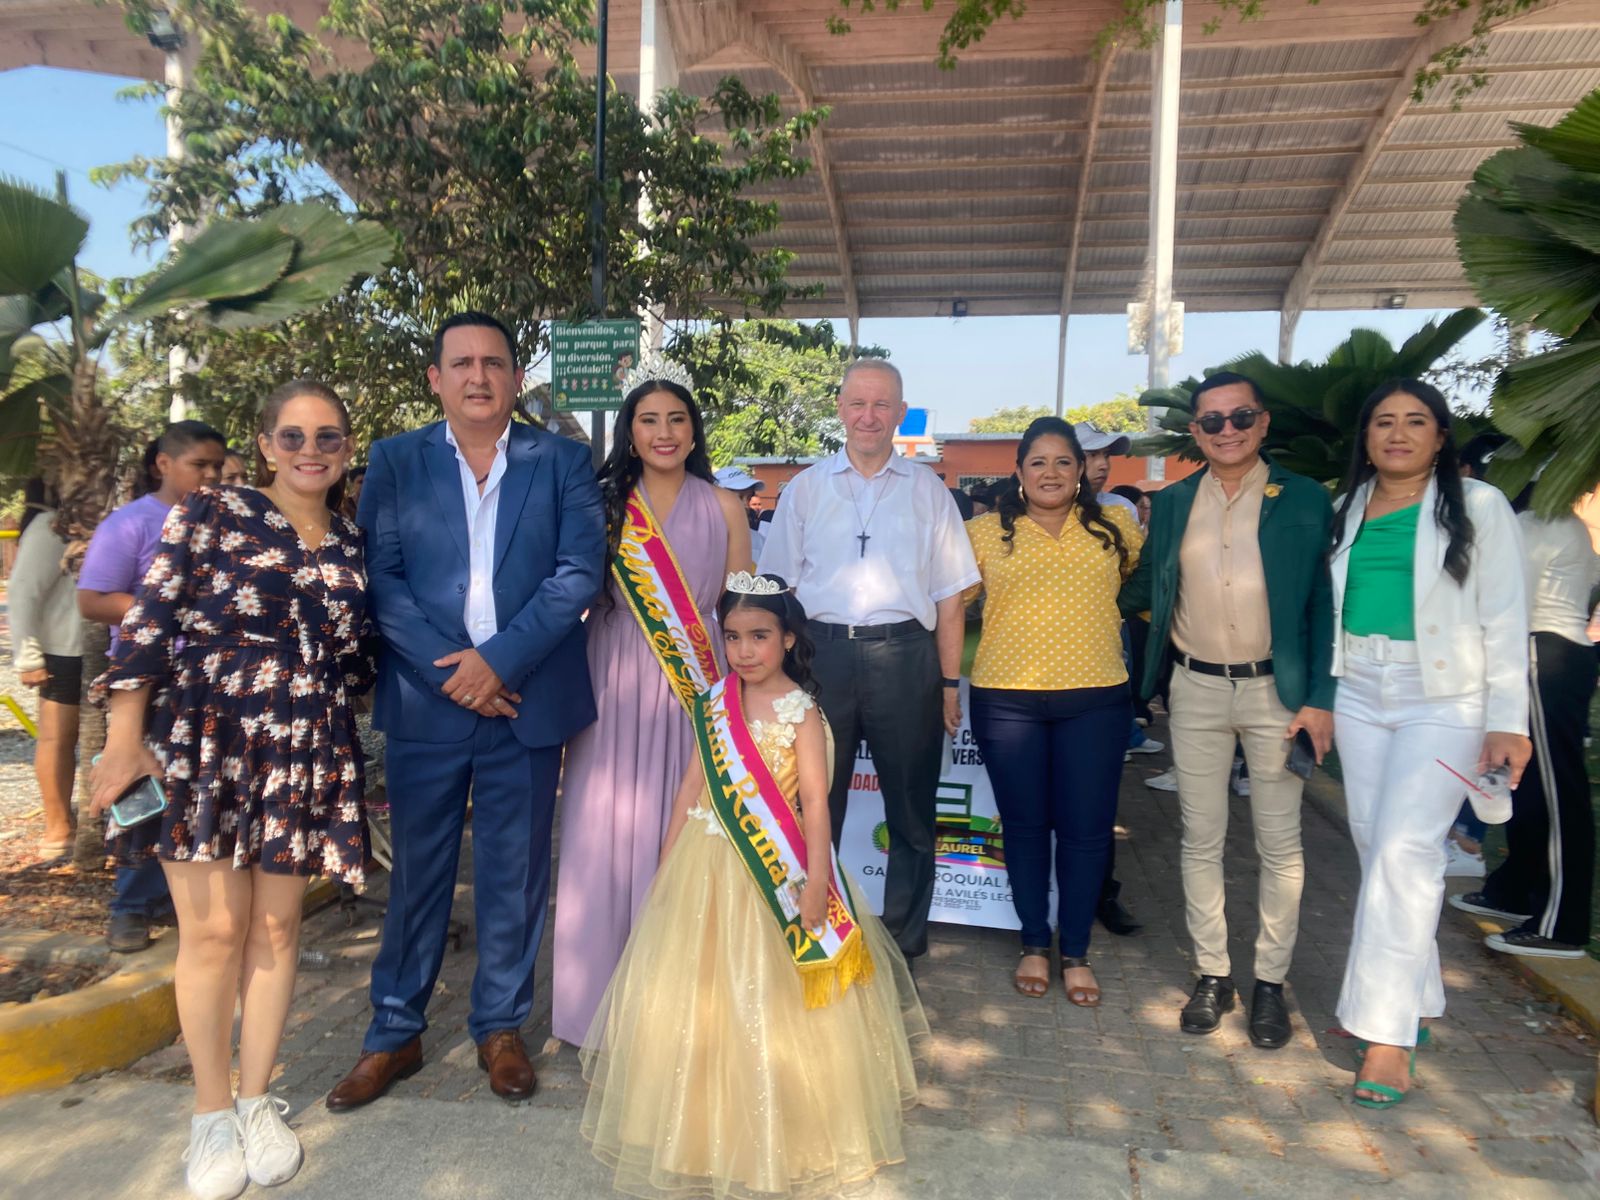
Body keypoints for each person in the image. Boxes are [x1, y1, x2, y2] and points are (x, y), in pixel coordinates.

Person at [89, 381, 371, 1199]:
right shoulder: (213, 512)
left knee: (276, 931)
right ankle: (210, 1115)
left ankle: (256, 1101)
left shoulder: (352, 541)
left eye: (327, 437)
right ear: (265, 444)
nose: (311, 451)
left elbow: (358, 659)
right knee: (213, 933)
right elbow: (149, 622)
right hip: (211, 737)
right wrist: (123, 738)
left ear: (347, 448)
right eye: (294, 436)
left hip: (306, 744)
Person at [327, 312, 605, 1111]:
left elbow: (578, 572)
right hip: (429, 701)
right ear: (436, 378)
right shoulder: (396, 460)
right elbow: (382, 578)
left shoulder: (562, 461)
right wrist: (456, 672)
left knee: (515, 874)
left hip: (525, 696)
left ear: (516, 376)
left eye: (493, 362)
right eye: (461, 363)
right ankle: (394, 1031)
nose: (478, 376)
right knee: (419, 873)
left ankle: (500, 1027)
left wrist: (498, 662)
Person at [579, 572, 926, 1199]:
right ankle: (695, 1128)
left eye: (759, 636)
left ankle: (786, 1127)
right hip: (705, 861)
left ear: (789, 639)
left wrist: (816, 881)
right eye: (733, 637)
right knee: (701, 996)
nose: (744, 651)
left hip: (779, 872)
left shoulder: (802, 710)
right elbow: (693, 783)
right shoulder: (715, 701)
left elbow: (816, 803)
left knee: (773, 1002)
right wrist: (666, 858)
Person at [1327, 379, 1529, 1108]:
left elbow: (1506, 616)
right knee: (1374, 844)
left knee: (1404, 852)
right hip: (1358, 687)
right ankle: (1414, 998)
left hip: (1444, 695)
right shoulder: (1346, 508)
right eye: (1383, 421)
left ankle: (1385, 1036)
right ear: (1366, 437)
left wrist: (1509, 719)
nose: (1398, 433)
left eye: (1416, 421)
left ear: (1441, 437)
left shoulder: (1479, 506)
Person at [1118, 371, 1335, 1050]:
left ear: (1263, 422)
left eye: (1240, 416)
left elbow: (1324, 604)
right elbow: (1142, 586)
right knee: (1200, 837)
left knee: (1280, 843)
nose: (1227, 430)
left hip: (1278, 693)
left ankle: (1270, 981)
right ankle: (1213, 973)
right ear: (1195, 431)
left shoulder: (1305, 498)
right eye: (1212, 421)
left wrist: (1320, 699)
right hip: (1197, 689)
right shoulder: (1174, 502)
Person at [759, 359, 978, 962]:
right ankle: (814, 928)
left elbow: (951, 599)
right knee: (814, 800)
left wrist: (949, 683)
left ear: (901, 412)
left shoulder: (929, 492)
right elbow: (777, 590)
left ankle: (905, 944)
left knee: (911, 805)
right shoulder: (806, 488)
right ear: (840, 408)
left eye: (882, 405)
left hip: (905, 656)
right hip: (820, 657)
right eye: (858, 403)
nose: (869, 416)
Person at [553, 375, 750, 1045]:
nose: (664, 432)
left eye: (676, 419)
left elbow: (739, 608)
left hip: (697, 680)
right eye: (648, 420)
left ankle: (678, 1012)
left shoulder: (725, 505)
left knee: (686, 829)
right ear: (629, 433)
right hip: (612, 675)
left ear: (694, 432)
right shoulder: (603, 505)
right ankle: (595, 1006)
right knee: (602, 830)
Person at [964, 419, 1141, 1003]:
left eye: (1063, 461)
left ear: (1081, 470)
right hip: (1006, 701)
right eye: (1037, 462)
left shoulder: (1116, 525)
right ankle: (1034, 942)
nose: (1050, 473)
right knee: (1025, 827)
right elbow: (951, 604)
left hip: (1096, 699)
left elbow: (1133, 586)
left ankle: (1077, 951)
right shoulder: (981, 533)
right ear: (1018, 472)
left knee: (1087, 831)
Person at [78, 420, 227, 952]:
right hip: (147, 681)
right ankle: (131, 906)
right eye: (199, 465)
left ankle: (179, 899)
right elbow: (93, 599)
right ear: (163, 464)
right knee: (145, 790)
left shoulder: (227, 522)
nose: (211, 475)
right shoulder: (131, 523)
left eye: (217, 466)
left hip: (211, 679)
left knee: (198, 793)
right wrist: (171, 613)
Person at [1452, 491, 1599, 959]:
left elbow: (1506, 596)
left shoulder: (1539, 524)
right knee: (1530, 788)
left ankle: (1562, 925)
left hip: (1544, 654)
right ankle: (1514, 891)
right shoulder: (1556, 525)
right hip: (1555, 652)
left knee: (1556, 794)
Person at [8, 480, 81, 858]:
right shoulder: (51, 526)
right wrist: (29, 657)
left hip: (101, 647)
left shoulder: (96, 522)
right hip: (63, 651)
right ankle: (58, 826)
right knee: (57, 740)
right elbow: (22, 594)